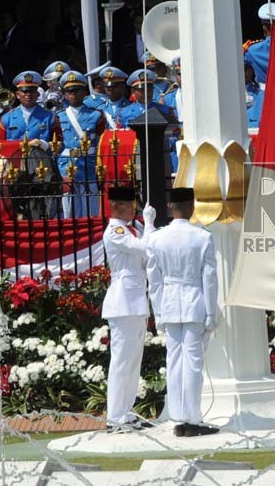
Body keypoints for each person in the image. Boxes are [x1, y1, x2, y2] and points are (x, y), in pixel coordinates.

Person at [145, 187, 219, 437]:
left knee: (174, 361)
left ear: (170, 207)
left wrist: (158, 313)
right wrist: (211, 312)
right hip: (194, 301)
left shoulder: (157, 238)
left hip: (169, 302)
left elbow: (153, 281)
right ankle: (192, 419)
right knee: (194, 363)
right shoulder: (202, 237)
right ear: (192, 207)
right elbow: (209, 279)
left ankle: (178, 417)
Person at [102, 185, 156, 431]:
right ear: (116, 206)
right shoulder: (116, 230)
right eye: (130, 204)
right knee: (122, 360)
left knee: (134, 360)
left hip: (136, 301)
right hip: (122, 302)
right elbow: (145, 248)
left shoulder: (135, 229)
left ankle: (126, 412)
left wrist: (148, 228)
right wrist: (150, 226)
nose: (134, 207)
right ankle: (114, 416)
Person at [55, 71, 105, 218]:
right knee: (68, 208)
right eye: (69, 91)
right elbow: (57, 145)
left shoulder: (97, 115)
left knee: (92, 208)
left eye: (77, 90)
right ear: (64, 94)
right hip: (66, 166)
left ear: (84, 92)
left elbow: (101, 142)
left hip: (89, 165)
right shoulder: (59, 117)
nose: (73, 94)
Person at [0, 71, 61, 148]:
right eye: (24, 91)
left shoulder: (50, 118)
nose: (28, 94)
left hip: (40, 159)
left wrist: (46, 145)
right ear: (17, 95)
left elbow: (60, 145)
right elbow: (0, 147)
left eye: (32, 91)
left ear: (38, 94)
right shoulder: (7, 118)